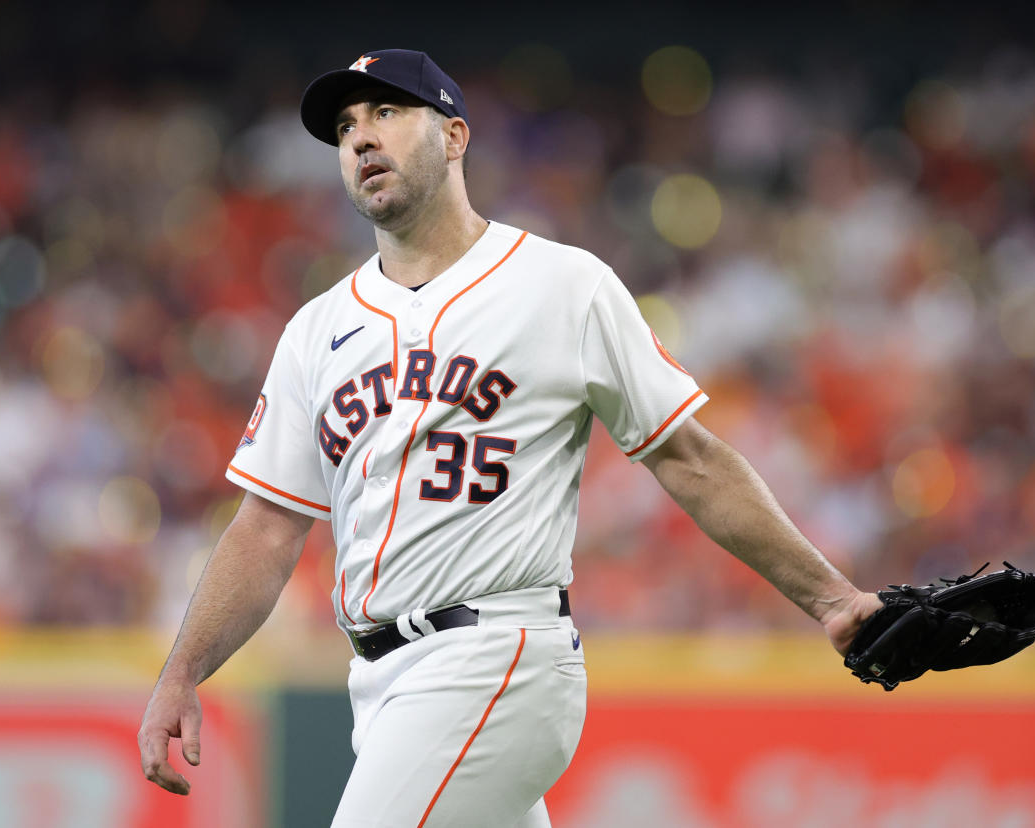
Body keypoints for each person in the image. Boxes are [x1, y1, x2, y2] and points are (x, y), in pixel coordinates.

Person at [137, 48, 883, 827]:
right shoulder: (317, 327)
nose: (360, 138)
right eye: (346, 125)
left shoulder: (560, 285)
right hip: (382, 686)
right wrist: (181, 673)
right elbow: (266, 526)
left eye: (387, 112)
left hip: (494, 654)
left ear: (455, 137)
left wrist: (831, 597)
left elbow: (689, 458)